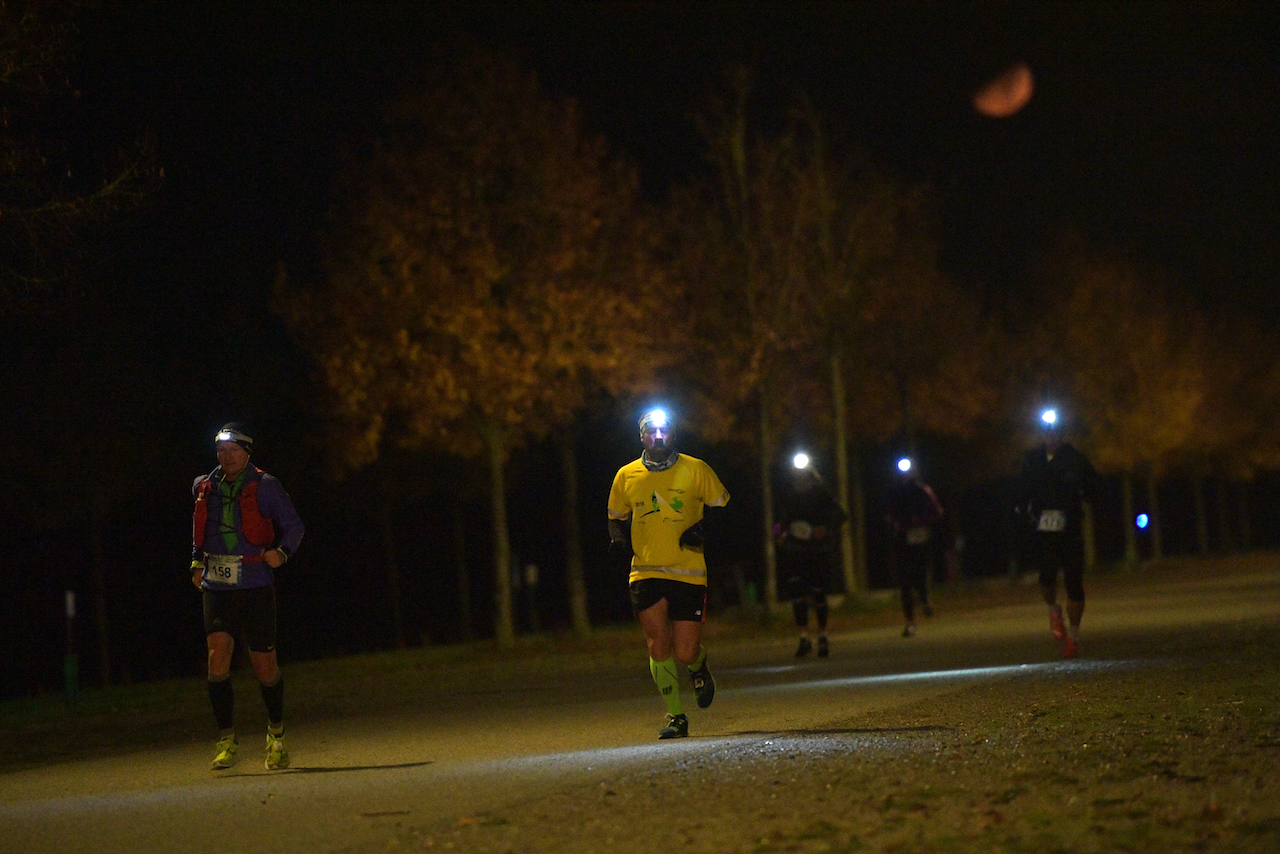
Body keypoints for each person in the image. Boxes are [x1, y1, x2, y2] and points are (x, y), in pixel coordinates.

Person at [608, 408, 730, 739]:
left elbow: (723, 508)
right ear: (642, 437)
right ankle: (676, 716)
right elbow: (616, 516)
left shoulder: (696, 469)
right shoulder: (626, 475)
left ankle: (698, 666)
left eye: (664, 431)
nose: (658, 437)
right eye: (651, 432)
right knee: (657, 643)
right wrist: (618, 539)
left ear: (673, 435)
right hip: (645, 571)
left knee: (685, 650)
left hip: (688, 570)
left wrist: (702, 529)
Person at [191, 423, 305, 770]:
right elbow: (200, 529)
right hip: (217, 584)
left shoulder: (266, 486)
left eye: (234, 451)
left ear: (247, 453)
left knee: (263, 664)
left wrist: (281, 554)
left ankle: (276, 735)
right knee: (217, 657)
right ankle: (226, 739)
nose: (226, 457)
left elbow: (294, 527)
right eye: (221, 451)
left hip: (255, 581)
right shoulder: (203, 486)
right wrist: (197, 562)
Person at [1014, 408, 1097, 659]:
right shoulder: (1032, 460)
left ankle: (1074, 635)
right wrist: (1024, 509)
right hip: (1044, 528)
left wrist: (1081, 498)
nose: (1051, 436)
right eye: (1046, 431)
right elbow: (1022, 489)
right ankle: (1053, 610)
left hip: (1069, 527)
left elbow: (1093, 487)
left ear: (1062, 433)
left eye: (1055, 431)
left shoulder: (1076, 459)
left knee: (1074, 582)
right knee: (1046, 576)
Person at [774, 453, 847, 658]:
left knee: (818, 593)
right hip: (794, 551)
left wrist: (825, 528)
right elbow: (779, 519)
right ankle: (803, 638)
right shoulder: (787, 494)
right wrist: (778, 534)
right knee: (797, 594)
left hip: (817, 550)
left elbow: (840, 515)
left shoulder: (820, 492)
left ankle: (823, 636)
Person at [884, 457, 944, 638]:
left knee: (919, 572)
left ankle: (924, 599)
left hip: (919, 536)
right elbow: (887, 514)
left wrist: (921, 521)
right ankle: (909, 622)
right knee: (904, 580)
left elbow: (937, 512)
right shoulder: (893, 492)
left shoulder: (922, 491)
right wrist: (894, 522)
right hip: (902, 538)